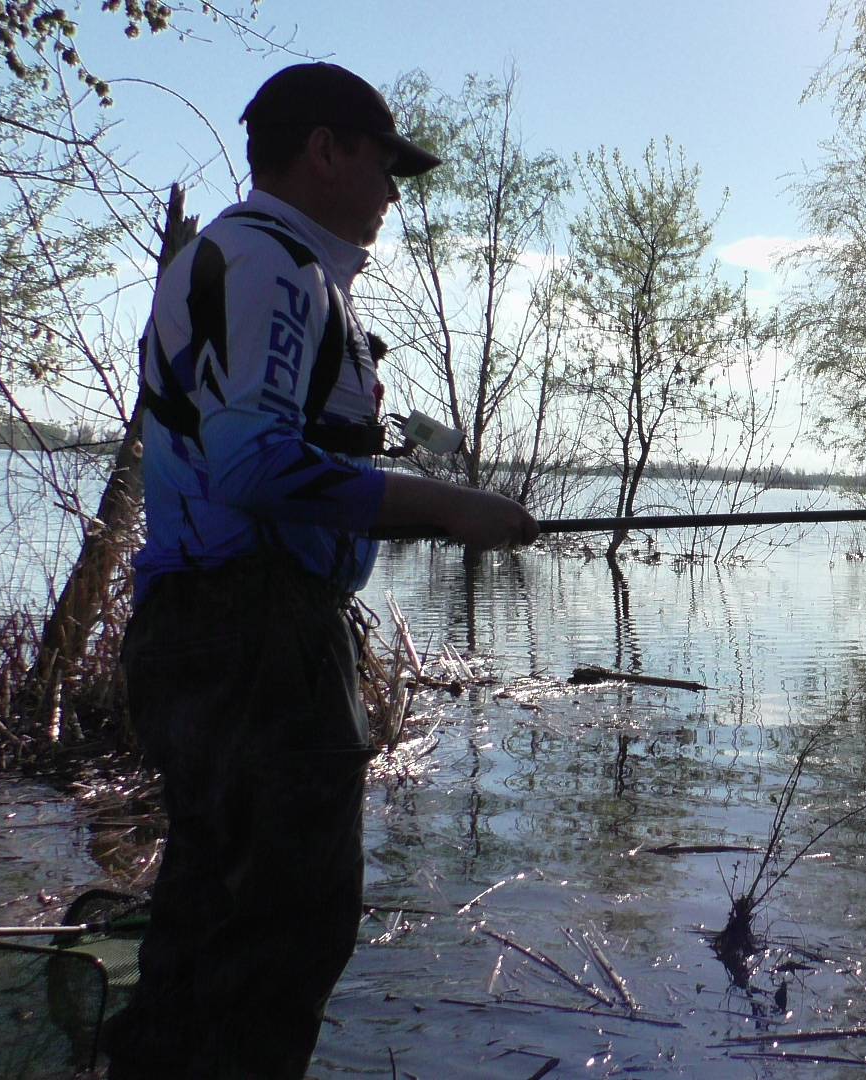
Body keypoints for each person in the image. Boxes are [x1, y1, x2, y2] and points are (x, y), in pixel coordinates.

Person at [102, 62, 537, 1078]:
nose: (394, 190)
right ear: (326, 148)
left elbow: (269, 466)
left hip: (219, 631)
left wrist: (422, 514)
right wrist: (451, 504)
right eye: (386, 164)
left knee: (209, 925)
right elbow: (254, 466)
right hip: (257, 641)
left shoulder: (246, 263)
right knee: (285, 938)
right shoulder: (273, 268)